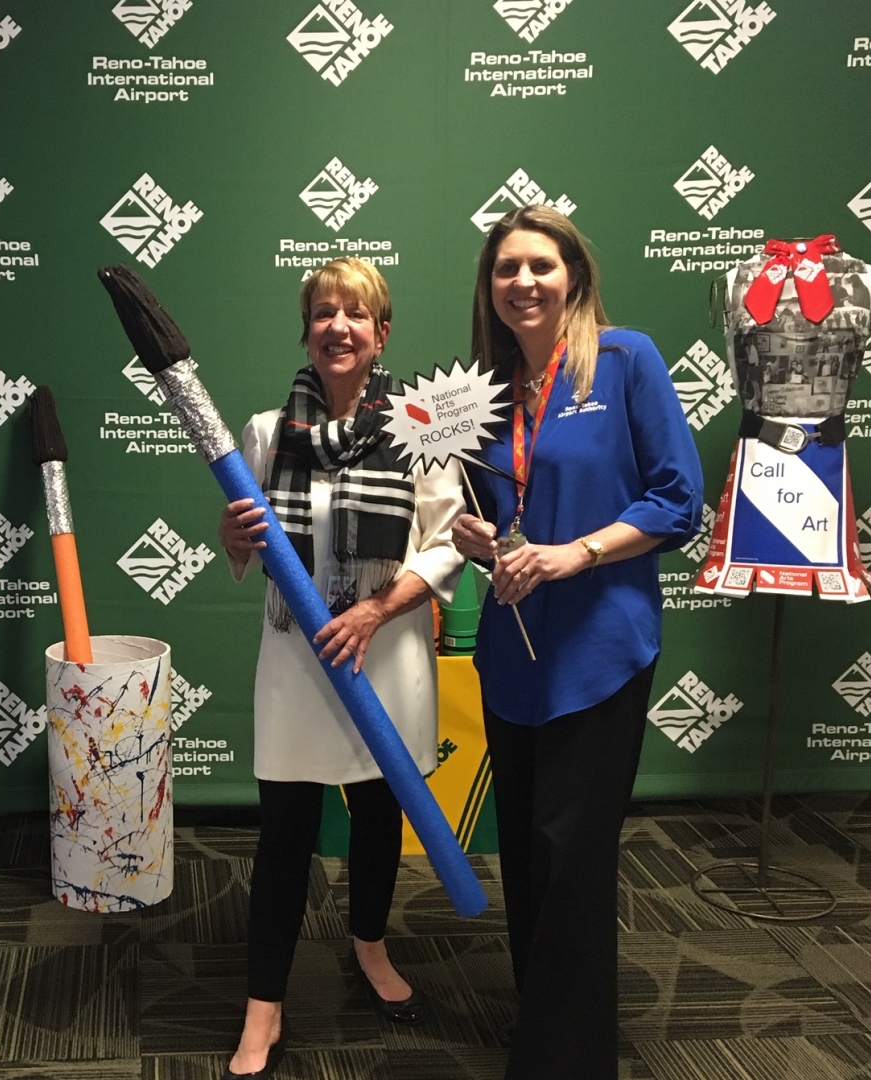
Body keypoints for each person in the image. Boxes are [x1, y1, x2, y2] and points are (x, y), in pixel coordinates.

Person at [448, 206, 702, 1080]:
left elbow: (677, 500)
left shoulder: (625, 360)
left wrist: (578, 551)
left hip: (600, 649)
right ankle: (543, 1020)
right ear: (489, 288)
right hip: (512, 652)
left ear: (574, 277)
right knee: (523, 848)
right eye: (505, 268)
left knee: (572, 854)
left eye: (539, 266)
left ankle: (567, 1059)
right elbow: (487, 515)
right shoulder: (479, 392)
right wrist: (477, 540)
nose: (522, 281)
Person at [218, 257, 465, 1079]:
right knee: (284, 833)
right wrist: (232, 538)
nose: (338, 327)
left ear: (381, 332)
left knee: (374, 818)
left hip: (384, 650)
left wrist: (371, 611)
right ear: (308, 330)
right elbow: (246, 553)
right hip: (296, 658)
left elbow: (442, 548)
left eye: (355, 314)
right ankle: (263, 1006)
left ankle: (370, 945)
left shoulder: (421, 428)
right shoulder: (263, 431)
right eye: (323, 313)